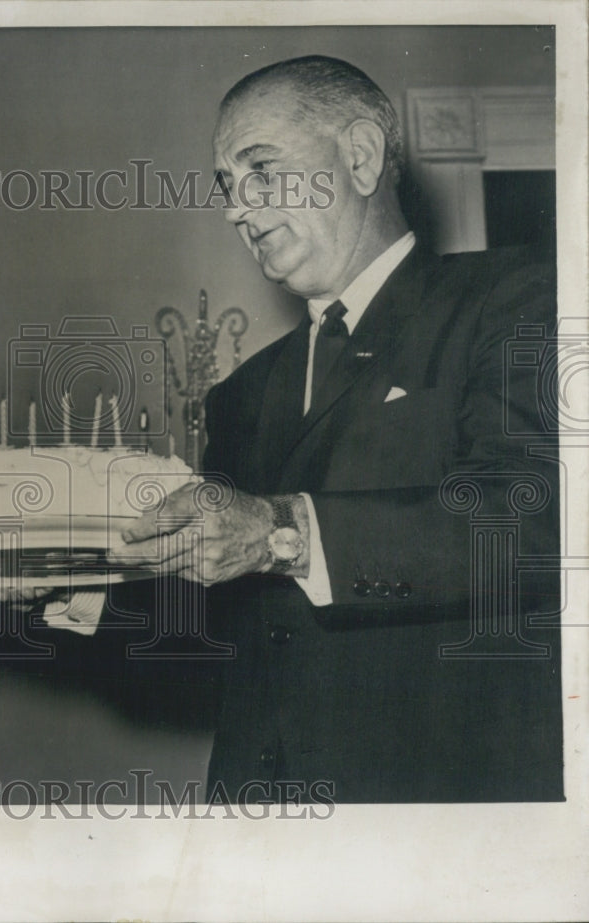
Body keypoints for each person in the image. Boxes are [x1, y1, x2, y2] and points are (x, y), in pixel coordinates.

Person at [97, 56, 560, 803]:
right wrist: (74, 582)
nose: (236, 210)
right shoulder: (242, 392)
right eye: (225, 187)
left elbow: (530, 518)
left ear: (361, 155)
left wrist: (284, 532)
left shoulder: (512, 298)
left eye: (260, 170)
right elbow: (219, 617)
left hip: (439, 814)